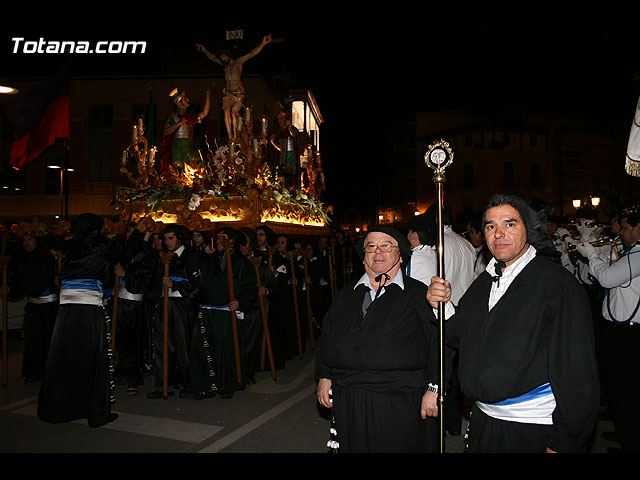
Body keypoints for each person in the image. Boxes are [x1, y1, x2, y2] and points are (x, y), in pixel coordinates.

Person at [427, 194, 600, 453]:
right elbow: (459, 336)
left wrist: (564, 441)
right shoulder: (482, 284)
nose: (499, 234)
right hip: (485, 422)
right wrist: (441, 305)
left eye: (509, 224)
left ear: (527, 229)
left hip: (533, 428)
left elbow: (577, 372)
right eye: (490, 226)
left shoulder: (556, 285)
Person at [316, 225, 443, 453]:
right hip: (350, 397)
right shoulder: (347, 294)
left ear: (400, 256)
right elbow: (328, 336)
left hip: (399, 399)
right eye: (371, 247)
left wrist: (434, 389)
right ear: (363, 258)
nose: (378, 252)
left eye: (386, 245)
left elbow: (439, 344)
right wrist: (325, 376)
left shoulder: (418, 294)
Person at [38, 213, 125, 428]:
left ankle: (60, 407)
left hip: (66, 308)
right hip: (88, 307)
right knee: (94, 357)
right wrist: (115, 235)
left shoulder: (70, 246)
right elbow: (124, 252)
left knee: (66, 356)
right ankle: (96, 412)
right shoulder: (102, 245)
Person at [576, 204, 640, 452]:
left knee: (625, 392)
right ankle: (627, 436)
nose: (621, 233)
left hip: (629, 333)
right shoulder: (630, 252)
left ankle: (631, 441)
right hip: (621, 331)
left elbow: (608, 278)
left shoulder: (637, 255)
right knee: (621, 391)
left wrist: (591, 254)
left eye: (625, 228)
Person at [189, 227, 257, 399]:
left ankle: (226, 384)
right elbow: (191, 272)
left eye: (223, 238)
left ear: (232, 241)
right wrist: (203, 254)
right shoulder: (208, 260)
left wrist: (240, 301)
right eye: (217, 238)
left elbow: (250, 287)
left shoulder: (242, 263)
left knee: (225, 352)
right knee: (203, 350)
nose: (219, 241)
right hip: (206, 311)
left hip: (226, 313)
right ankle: (204, 386)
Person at [147, 224, 199, 399]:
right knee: (163, 345)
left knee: (183, 345)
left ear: (179, 238)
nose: (167, 242)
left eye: (171, 238)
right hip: (164, 303)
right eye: (165, 238)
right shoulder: (161, 257)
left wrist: (175, 284)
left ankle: (188, 384)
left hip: (182, 305)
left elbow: (196, 285)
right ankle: (163, 384)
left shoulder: (191, 257)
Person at [6, 228, 58, 383]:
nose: (26, 244)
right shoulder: (21, 261)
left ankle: (51, 371)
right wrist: (10, 290)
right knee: (32, 340)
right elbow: (20, 284)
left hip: (50, 305)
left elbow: (53, 275)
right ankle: (34, 371)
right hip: (33, 306)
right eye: (24, 241)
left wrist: (57, 283)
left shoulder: (47, 257)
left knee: (50, 339)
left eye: (30, 240)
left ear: (36, 241)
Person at [196, 35, 272, 142]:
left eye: (224, 57)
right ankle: (230, 136)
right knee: (226, 111)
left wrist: (263, 43)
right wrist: (204, 50)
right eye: (222, 58)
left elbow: (251, 54)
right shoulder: (225, 67)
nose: (223, 59)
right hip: (228, 93)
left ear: (228, 55)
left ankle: (236, 136)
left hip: (238, 93)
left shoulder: (238, 62)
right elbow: (213, 58)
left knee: (233, 112)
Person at [158, 87, 211, 175]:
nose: (188, 100)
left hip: (188, 145)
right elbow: (165, 132)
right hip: (177, 147)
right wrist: (178, 124)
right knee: (178, 172)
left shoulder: (190, 117)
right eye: (185, 98)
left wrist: (208, 96)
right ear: (179, 102)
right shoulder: (172, 117)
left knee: (197, 164)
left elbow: (204, 113)